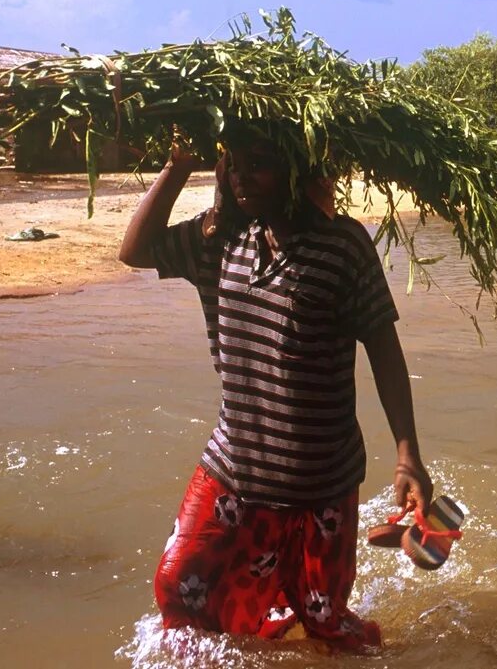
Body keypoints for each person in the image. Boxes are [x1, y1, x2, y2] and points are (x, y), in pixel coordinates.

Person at [118, 127, 433, 650]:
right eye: (235, 163)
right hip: (233, 471)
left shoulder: (342, 247)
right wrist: (178, 165)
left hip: (320, 482)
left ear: (297, 172)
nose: (243, 175)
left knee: (326, 625)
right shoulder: (218, 243)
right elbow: (135, 251)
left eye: (259, 162)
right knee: (179, 592)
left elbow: (383, 348)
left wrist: (408, 455)